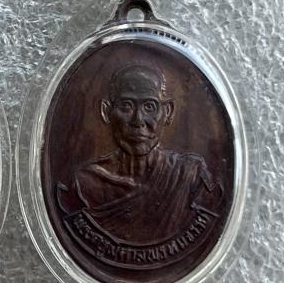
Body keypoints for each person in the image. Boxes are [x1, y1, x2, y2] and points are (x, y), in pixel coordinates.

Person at [59, 65, 221, 244]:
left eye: (149, 106)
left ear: (167, 112)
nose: (138, 121)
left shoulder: (189, 174)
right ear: (106, 111)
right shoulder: (86, 183)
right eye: (126, 106)